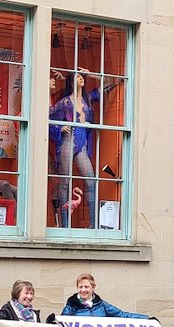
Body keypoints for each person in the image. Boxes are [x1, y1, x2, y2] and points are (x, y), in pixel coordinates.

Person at [49, 69, 101, 227]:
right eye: (78, 77)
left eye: (82, 77)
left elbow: (107, 82)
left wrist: (89, 73)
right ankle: (65, 225)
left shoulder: (88, 99)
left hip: (82, 143)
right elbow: (47, 117)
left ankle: (93, 224)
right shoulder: (65, 102)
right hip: (68, 140)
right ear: (72, 81)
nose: (81, 79)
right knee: (64, 183)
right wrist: (60, 126)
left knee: (91, 181)